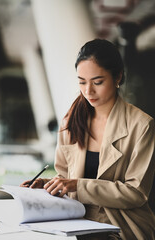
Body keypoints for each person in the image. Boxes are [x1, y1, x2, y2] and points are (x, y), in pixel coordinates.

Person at [20, 39, 155, 240]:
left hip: (120, 224)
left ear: (117, 76)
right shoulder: (71, 120)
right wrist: (49, 185)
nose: (88, 91)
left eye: (97, 82)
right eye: (82, 82)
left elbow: (135, 193)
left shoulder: (142, 125)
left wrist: (77, 185)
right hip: (76, 220)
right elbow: (65, 176)